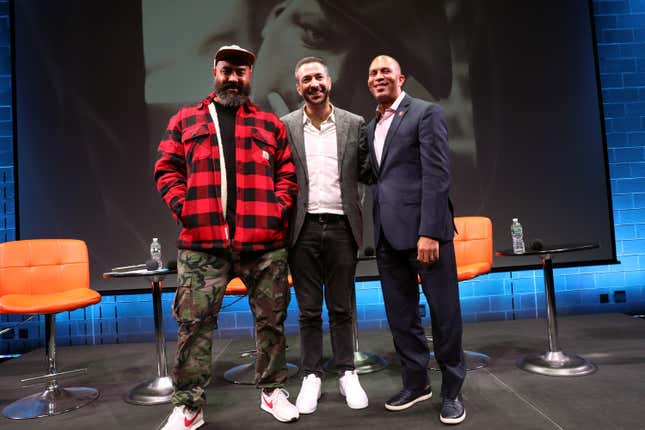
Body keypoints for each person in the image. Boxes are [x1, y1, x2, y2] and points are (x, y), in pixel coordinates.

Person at [154, 45, 299, 429]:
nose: (233, 77)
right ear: (214, 72)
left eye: (241, 72)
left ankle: (272, 392)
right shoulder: (186, 120)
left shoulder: (270, 124)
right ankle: (188, 406)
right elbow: (166, 168)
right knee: (194, 325)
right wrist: (187, 209)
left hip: (263, 245)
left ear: (250, 76)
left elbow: (287, 175)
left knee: (272, 322)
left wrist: (276, 211)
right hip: (203, 246)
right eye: (226, 70)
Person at [365, 55, 466, 424]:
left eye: (385, 71)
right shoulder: (369, 125)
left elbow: (438, 175)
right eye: (373, 73)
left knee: (444, 315)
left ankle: (452, 390)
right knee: (401, 316)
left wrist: (430, 231)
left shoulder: (426, 112)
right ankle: (416, 383)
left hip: (426, 235)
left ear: (400, 78)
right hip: (387, 236)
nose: (378, 77)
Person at [280, 57, 371, 414]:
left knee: (341, 307)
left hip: (342, 226)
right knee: (307, 310)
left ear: (329, 81)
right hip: (301, 229)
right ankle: (312, 376)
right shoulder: (285, 126)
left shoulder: (354, 123)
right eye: (306, 80)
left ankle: (347, 372)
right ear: (298, 87)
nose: (314, 84)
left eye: (319, 77)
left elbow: (367, 172)